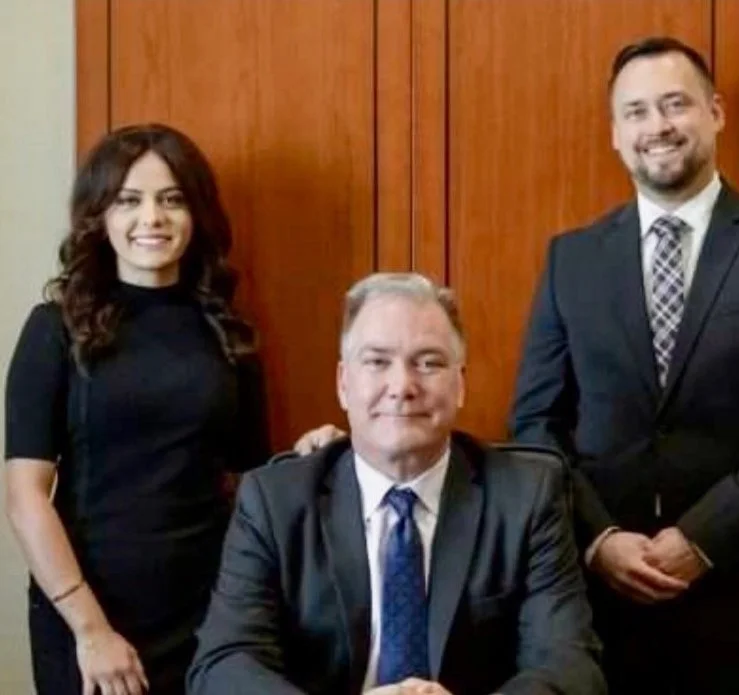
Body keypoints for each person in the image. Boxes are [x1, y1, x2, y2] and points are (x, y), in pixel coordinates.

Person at [510, 36, 739, 695]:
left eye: (673, 104)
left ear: (715, 112)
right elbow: (534, 423)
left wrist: (703, 537)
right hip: (600, 600)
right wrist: (600, 539)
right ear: (614, 134)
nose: (656, 126)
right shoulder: (571, 259)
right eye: (635, 112)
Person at [187, 272, 606, 695]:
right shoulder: (274, 501)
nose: (403, 386)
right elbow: (226, 662)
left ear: (460, 384)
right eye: (377, 362)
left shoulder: (526, 497)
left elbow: (569, 664)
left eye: (429, 363)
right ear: (343, 384)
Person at [4, 123, 271, 695]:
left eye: (171, 199)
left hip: (209, 608)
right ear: (99, 215)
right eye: (129, 200)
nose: (152, 218)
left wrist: (318, 454)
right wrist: (90, 629)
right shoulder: (54, 329)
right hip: (85, 610)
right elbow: (25, 496)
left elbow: (255, 478)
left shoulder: (229, 334)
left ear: (196, 213)